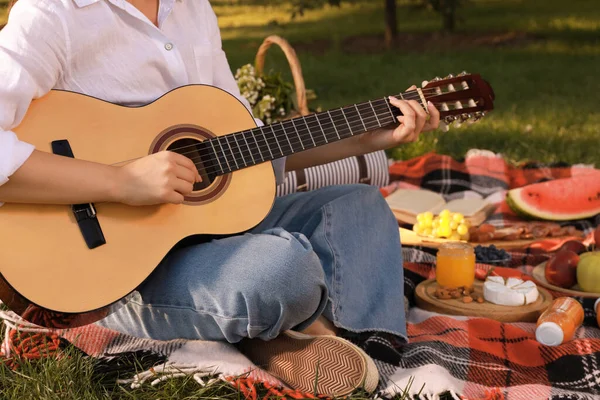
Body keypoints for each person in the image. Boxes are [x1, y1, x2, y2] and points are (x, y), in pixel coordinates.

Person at [0, 0, 440, 396]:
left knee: (359, 205)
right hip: (116, 268)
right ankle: (279, 326)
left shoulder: (192, 9)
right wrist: (119, 181)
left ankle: (359, 351)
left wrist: (363, 138)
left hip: (208, 229)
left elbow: (244, 144)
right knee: (284, 269)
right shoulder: (53, 14)